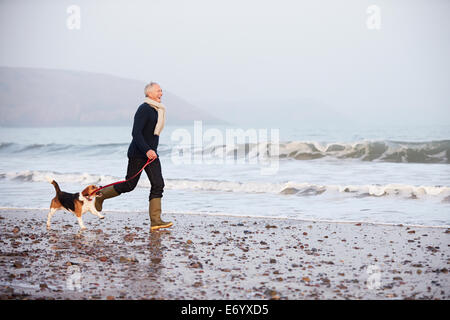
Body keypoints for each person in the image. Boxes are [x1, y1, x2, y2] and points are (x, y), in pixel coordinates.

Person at [95, 82, 173, 231]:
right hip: (139, 154)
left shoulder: (158, 110)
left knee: (158, 184)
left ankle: (156, 221)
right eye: (158, 91)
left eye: (161, 91)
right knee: (129, 185)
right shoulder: (144, 109)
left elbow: (151, 135)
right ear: (149, 93)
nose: (161, 93)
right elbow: (136, 133)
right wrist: (147, 150)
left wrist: (152, 151)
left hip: (151, 155)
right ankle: (100, 195)